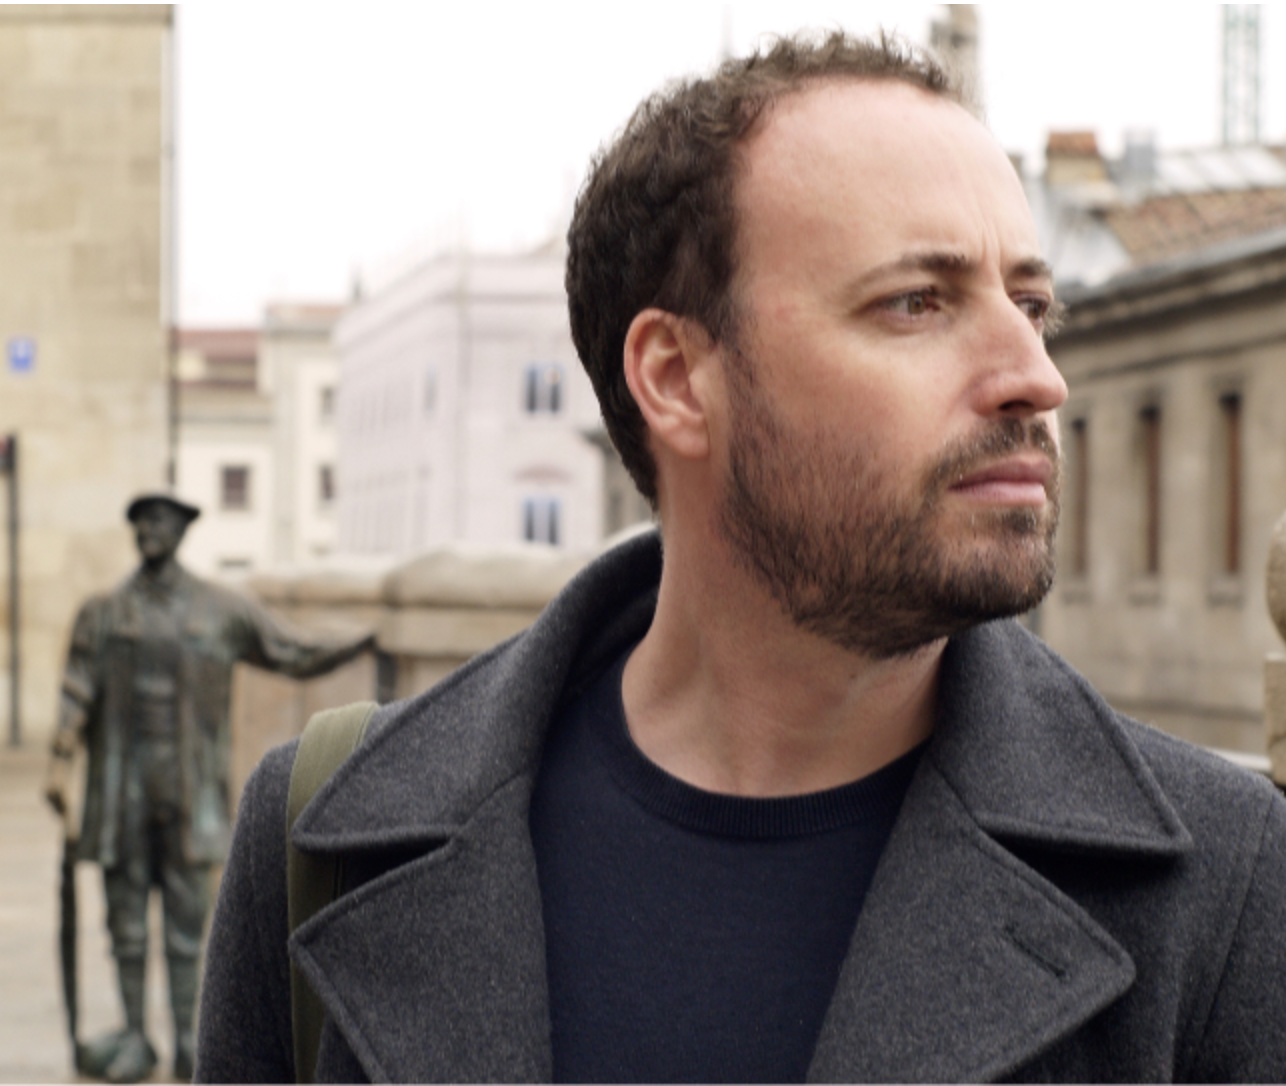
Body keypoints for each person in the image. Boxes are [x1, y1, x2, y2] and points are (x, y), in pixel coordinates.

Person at [196, 31, 1286, 1083]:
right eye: (916, 302)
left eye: (1032, 304)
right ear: (674, 376)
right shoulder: (324, 839)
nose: (1034, 376)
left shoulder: (1223, 886)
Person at [44, 494, 375, 1083]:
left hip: (188, 792)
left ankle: (184, 1039)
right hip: (123, 794)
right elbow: (76, 689)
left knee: (185, 925)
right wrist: (57, 763)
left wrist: (364, 637)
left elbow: (292, 650)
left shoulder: (220, 610)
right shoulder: (104, 611)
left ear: (181, 530)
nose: (148, 529)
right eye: (139, 520)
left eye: (160, 520)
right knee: (124, 924)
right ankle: (136, 1038)